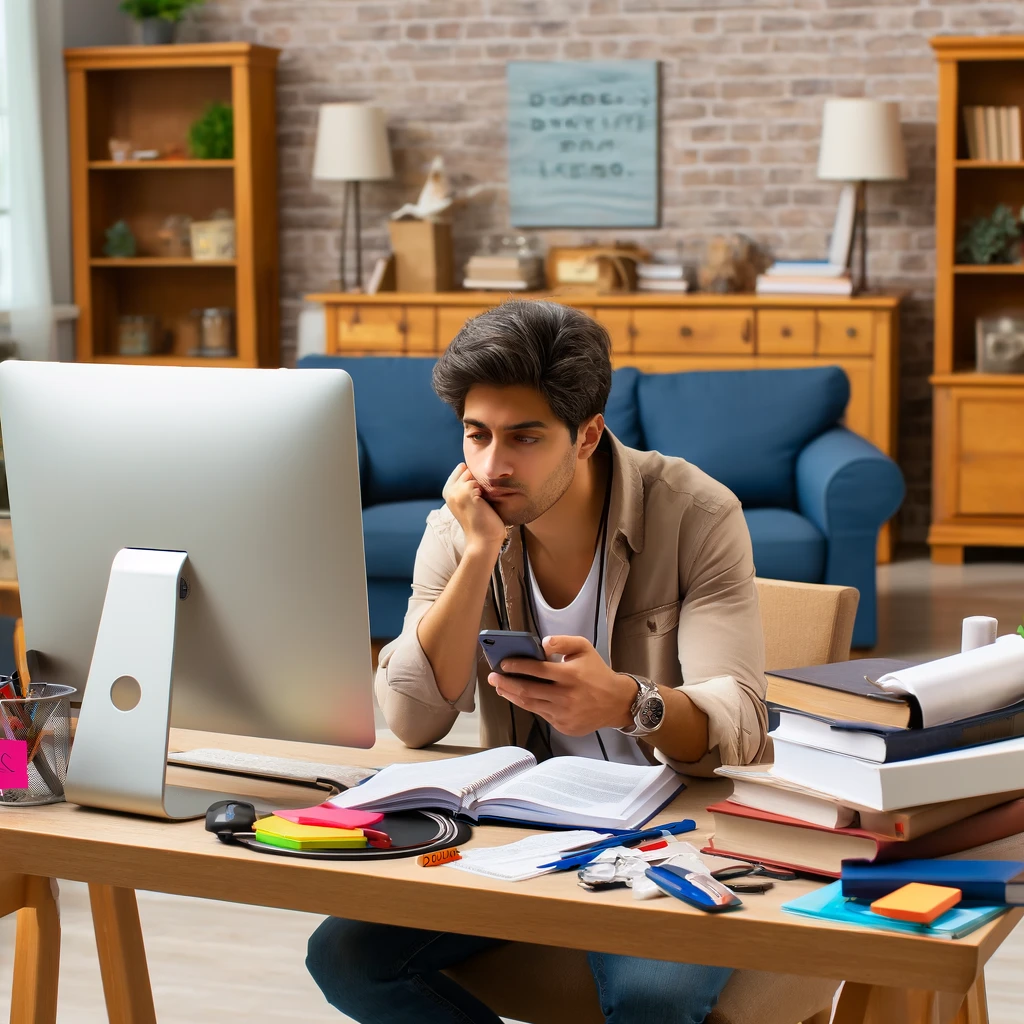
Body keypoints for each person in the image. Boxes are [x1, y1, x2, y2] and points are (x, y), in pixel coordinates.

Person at [307, 300, 768, 1024]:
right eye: (476, 435)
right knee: (345, 957)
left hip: (671, 839)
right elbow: (413, 718)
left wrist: (626, 704)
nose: (491, 466)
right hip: (528, 833)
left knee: (653, 995)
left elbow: (740, 723)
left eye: (523, 437)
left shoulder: (697, 515)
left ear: (586, 435)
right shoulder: (460, 526)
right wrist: (479, 552)